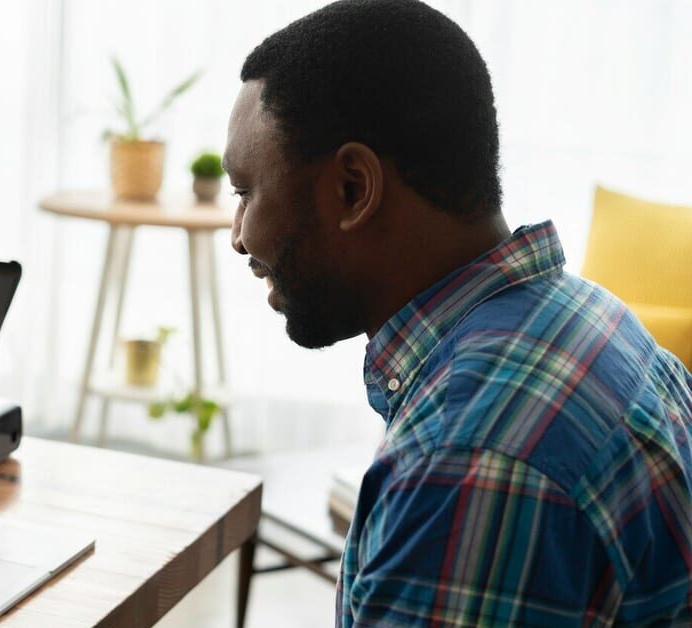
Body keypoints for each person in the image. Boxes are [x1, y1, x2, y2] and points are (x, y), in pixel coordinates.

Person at [224, 0, 692, 625]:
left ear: (353, 189)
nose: (238, 235)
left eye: (247, 192)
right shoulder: (593, 317)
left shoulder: (467, 461)